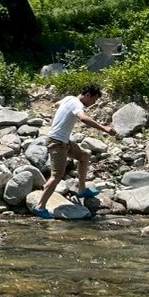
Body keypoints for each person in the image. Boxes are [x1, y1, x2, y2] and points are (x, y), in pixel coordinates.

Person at [32, 83, 116, 219]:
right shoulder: (77, 104)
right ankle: (40, 206)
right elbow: (83, 118)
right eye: (93, 100)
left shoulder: (69, 98)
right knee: (56, 176)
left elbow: (56, 104)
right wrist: (104, 128)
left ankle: (82, 189)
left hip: (63, 141)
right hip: (57, 143)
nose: (93, 103)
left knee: (84, 155)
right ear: (87, 95)